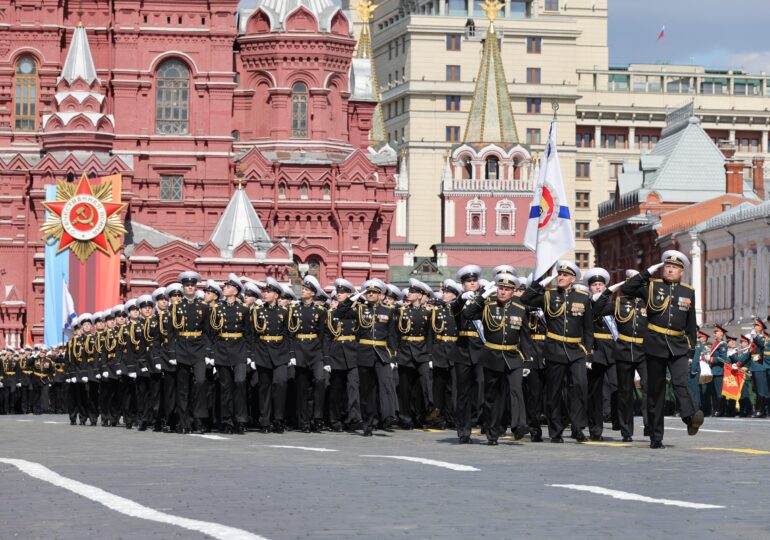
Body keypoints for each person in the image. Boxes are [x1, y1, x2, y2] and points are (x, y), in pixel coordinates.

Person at [621, 250, 704, 448]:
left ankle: (690, 417)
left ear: (681, 271)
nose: (669, 269)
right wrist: (647, 272)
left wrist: (692, 349)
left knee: (680, 382)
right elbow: (627, 289)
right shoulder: (651, 286)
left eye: (674, 267)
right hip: (655, 343)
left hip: (678, 344)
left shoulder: (688, 291)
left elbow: (691, 323)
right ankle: (656, 437)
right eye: (667, 266)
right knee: (655, 392)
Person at [521, 261, 592, 443]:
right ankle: (555, 431)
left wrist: (587, 351)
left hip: (576, 350)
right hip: (554, 349)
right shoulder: (548, 295)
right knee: (553, 392)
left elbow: (588, 328)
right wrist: (541, 283)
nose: (561, 277)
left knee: (579, 388)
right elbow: (525, 299)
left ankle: (577, 427)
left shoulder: (583, 298)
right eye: (559, 274)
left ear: (573, 279)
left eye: (565, 275)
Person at [463, 272, 529, 445]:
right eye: (500, 288)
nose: (502, 292)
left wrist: (527, 359)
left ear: (513, 292)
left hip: (513, 356)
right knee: (492, 397)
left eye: (507, 289)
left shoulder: (520, 308)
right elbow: (468, 314)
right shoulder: (487, 304)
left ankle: (519, 425)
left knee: (516, 389)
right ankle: (492, 432)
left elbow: (525, 336)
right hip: (492, 355)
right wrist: (481, 296)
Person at [334, 279, 397, 437]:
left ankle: (388, 416)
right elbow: (339, 313)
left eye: (374, 292)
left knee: (386, 384)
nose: (370, 294)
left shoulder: (388, 310)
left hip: (382, 354)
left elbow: (392, 336)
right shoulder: (360, 309)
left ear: (380, 295)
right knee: (366, 391)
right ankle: (368, 423)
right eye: (368, 292)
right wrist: (354, 298)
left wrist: (393, 357)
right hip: (364, 353)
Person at [210, 274, 253, 434]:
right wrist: (213, 353)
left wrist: (249, 354)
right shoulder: (217, 309)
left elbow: (249, 333)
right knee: (225, 387)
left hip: (239, 350)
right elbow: (212, 333)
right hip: (222, 350)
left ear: (235, 291)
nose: (224, 289)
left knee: (240, 383)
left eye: (227, 287)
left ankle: (240, 420)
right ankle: (227, 421)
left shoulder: (243, 309)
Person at [170, 271, 212, 435]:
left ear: (195, 288)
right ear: (183, 288)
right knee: (183, 387)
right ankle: (183, 422)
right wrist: (173, 353)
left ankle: (199, 420)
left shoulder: (203, 307)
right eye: (187, 285)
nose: (189, 288)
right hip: (181, 348)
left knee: (201, 383)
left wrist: (209, 353)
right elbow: (171, 332)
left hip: (199, 348)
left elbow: (207, 331)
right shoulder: (176, 307)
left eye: (192, 286)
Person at [251, 277, 293, 433]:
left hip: (280, 353)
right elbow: (253, 335)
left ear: (276, 295)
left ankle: (279, 419)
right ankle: (265, 421)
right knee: (264, 388)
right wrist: (253, 356)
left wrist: (291, 355)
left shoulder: (284, 312)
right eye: (264, 291)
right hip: (263, 352)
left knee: (280, 384)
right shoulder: (258, 311)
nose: (265, 294)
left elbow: (288, 335)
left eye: (268, 292)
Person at [288, 275, 328, 432]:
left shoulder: (320, 311)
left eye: (305, 290)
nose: (302, 291)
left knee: (319, 381)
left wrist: (325, 358)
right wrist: (292, 354)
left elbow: (323, 335)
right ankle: (304, 421)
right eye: (303, 289)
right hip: (300, 350)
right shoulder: (294, 309)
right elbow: (290, 334)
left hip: (315, 350)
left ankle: (317, 418)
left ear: (312, 293)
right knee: (302, 387)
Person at [451, 265, 486, 444]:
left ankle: (485, 423)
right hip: (463, 350)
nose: (472, 283)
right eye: (468, 281)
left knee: (482, 387)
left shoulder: (485, 299)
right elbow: (453, 311)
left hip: (481, 350)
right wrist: (461, 299)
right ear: (463, 285)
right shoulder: (459, 301)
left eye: (474, 281)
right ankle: (464, 430)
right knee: (463, 393)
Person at [395, 278, 435, 429]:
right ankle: (405, 418)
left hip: (422, 352)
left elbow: (430, 336)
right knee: (405, 388)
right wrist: (396, 353)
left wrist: (430, 355)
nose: (409, 294)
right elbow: (397, 334)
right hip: (405, 352)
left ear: (419, 296)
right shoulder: (402, 311)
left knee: (422, 386)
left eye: (412, 292)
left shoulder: (428, 312)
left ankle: (422, 416)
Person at [583, 267, 618, 441]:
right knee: (595, 392)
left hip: (613, 351)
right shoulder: (587, 305)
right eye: (595, 285)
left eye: (600, 284)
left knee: (616, 386)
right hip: (595, 351)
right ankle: (595, 429)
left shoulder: (614, 305)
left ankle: (614, 417)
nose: (598, 287)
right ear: (590, 288)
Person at [324, 278, 362, 432]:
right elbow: (326, 336)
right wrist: (326, 358)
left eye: (343, 292)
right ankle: (335, 419)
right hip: (337, 353)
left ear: (350, 294)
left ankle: (353, 418)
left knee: (353, 387)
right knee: (336, 389)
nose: (339, 295)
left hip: (353, 353)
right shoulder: (332, 313)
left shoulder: (356, 312)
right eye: (338, 292)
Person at [430, 279, 462, 429]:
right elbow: (430, 334)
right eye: (444, 292)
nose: (444, 294)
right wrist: (431, 354)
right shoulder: (437, 310)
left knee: (454, 388)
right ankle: (438, 418)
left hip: (455, 350)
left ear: (455, 295)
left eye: (448, 292)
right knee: (439, 388)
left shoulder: (459, 310)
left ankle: (452, 417)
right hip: (439, 351)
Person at [707, 325, 729, 417]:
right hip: (713, 371)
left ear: (721, 333)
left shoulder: (723, 344)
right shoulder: (716, 343)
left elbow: (723, 358)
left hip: (719, 371)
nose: (714, 334)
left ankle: (720, 410)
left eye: (716, 332)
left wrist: (712, 359)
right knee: (713, 392)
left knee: (719, 392)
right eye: (714, 332)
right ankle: (715, 409)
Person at [751, 319, 769, 418]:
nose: (755, 327)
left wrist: (755, 337)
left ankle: (761, 410)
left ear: (761, 328)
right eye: (754, 325)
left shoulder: (764, 338)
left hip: (761, 366)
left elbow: (763, 345)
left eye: (757, 326)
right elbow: (751, 352)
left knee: (762, 391)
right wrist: (740, 363)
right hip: (754, 366)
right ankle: (759, 409)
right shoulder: (755, 338)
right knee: (757, 390)